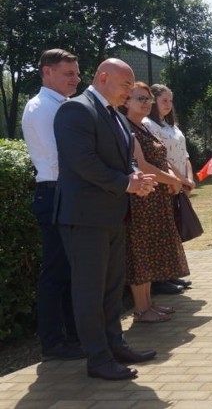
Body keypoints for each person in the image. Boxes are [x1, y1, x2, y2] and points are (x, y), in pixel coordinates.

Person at [54, 58, 158, 380]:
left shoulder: (114, 114)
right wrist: (127, 183)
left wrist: (135, 175)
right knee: (90, 291)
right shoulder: (76, 111)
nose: (130, 91)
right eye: (126, 84)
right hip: (85, 219)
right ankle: (98, 360)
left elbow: (121, 159)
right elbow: (83, 162)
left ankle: (115, 345)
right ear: (103, 78)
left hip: (111, 215)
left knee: (111, 288)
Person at [21, 49, 83, 361]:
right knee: (57, 271)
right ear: (47, 72)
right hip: (55, 191)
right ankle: (53, 342)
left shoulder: (64, 106)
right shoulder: (41, 108)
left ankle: (75, 337)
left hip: (66, 192)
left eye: (77, 72)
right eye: (68, 73)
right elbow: (60, 159)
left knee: (72, 270)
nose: (76, 79)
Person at [122, 82, 190, 323]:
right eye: (140, 98)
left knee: (150, 253)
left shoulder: (145, 128)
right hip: (142, 202)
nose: (146, 102)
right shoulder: (128, 129)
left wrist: (176, 180)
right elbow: (142, 165)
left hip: (155, 201)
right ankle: (141, 309)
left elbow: (162, 158)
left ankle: (149, 304)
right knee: (141, 254)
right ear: (125, 102)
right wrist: (172, 180)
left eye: (148, 98)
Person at [145, 83, 194, 293]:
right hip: (165, 183)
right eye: (164, 100)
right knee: (162, 231)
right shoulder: (148, 124)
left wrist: (189, 178)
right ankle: (160, 278)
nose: (168, 104)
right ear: (153, 101)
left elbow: (185, 155)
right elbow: (161, 158)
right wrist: (180, 179)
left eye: (170, 100)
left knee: (172, 230)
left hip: (178, 184)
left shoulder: (171, 126)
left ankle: (172, 273)